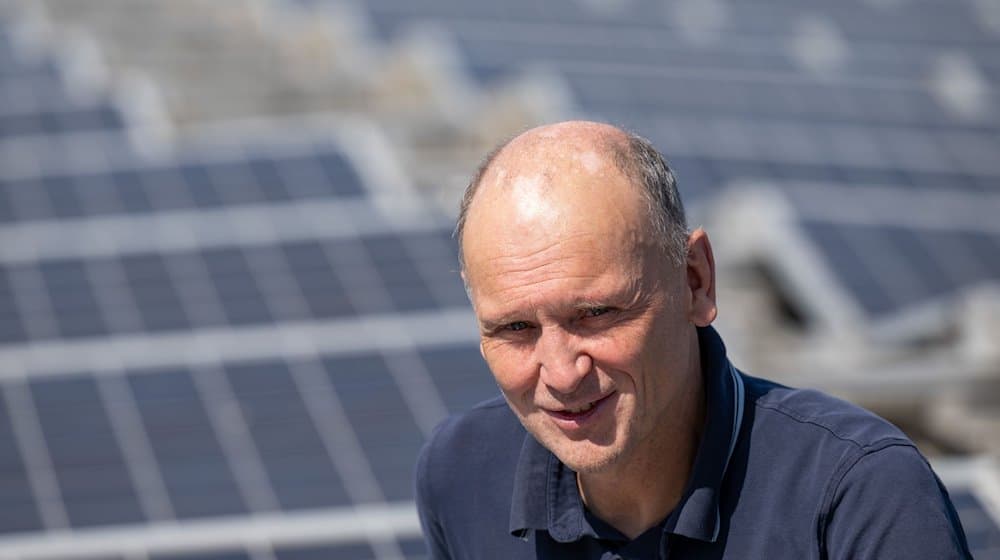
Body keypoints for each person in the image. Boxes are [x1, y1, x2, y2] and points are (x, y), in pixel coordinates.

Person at [415, 121, 971, 559]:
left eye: (596, 313)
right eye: (515, 329)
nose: (561, 373)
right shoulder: (460, 476)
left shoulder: (857, 495)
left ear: (695, 280)